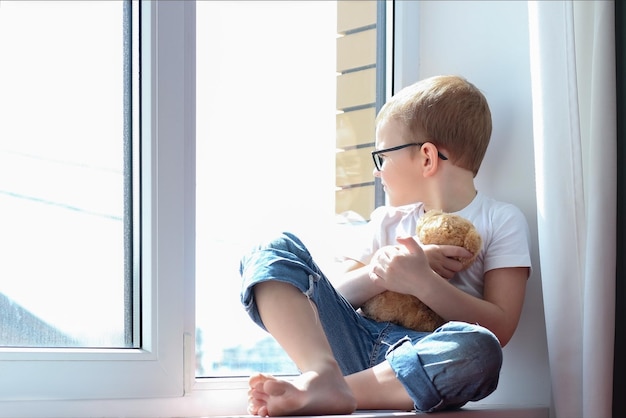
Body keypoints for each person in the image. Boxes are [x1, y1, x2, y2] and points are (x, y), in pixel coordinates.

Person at [239, 75, 531, 416]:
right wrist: (382, 274)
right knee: (272, 249)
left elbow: (501, 327)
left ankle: (337, 391)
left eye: (382, 157)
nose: (378, 173)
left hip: (419, 360)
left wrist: (423, 282)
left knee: (481, 351)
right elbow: (328, 298)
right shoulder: (385, 221)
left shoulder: (502, 220)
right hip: (356, 339)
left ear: (426, 158)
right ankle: (321, 373)